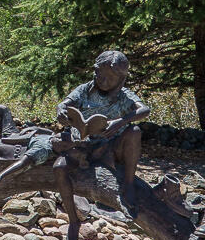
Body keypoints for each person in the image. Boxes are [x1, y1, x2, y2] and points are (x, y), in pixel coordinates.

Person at [57, 49, 151, 215]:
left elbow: (144, 110)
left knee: (134, 131)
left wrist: (122, 121)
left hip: (110, 147)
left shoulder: (123, 96)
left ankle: (128, 183)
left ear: (121, 79)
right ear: (95, 71)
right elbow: (65, 104)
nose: (104, 82)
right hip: (82, 145)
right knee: (61, 162)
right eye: (101, 76)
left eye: (111, 78)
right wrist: (62, 110)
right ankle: (74, 213)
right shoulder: (84, 90)